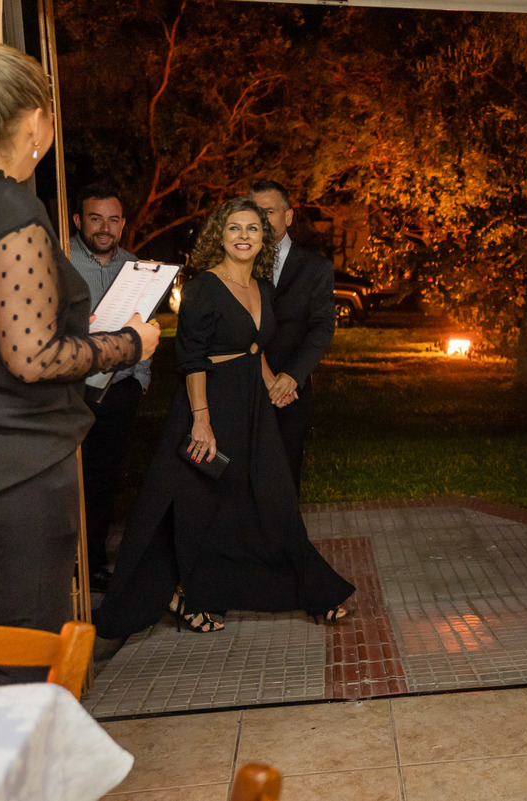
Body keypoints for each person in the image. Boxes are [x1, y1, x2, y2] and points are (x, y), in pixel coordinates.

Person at [0, 42, 159, 686]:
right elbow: (30, 355)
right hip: (13, 477)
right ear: (32, 123)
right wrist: (131, 343)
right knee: (16, 673)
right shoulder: (10, 207)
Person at [93, 198, 353, 637]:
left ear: (263, 238)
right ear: (221, 235)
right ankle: (192, 596)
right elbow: (192, 358)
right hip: (208, 404)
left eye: (253, 228)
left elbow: (255, 347)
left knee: (275, 499)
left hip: (252, 404)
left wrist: (271, 383)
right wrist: (201, 420)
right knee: (200, 508)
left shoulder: (261, 288)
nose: (245, 235)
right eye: (235, 228)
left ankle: (315, 590)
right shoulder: (203, 289)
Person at [70, 182, 150, 592]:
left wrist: (138, 381)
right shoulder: (58, 261)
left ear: (122, 224)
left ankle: (95, 564)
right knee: (68, 481)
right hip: (70, 391)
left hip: (118, 391)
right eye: (96, 218)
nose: (105, 227)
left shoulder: (136, 267)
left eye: (113, 219)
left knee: (104, 480)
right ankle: (66, 567)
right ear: (78, 221)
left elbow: (145, 324)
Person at [247, 180, 335, 500]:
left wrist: (292, 377)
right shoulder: (238, 264)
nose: (261, 219)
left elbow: (322, 327)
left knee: (284, 480)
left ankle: (283, 547)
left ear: (288, 216)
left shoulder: (316, 268)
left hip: (289, 395)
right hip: (243, 387)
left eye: (269, 212)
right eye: (255, 211)